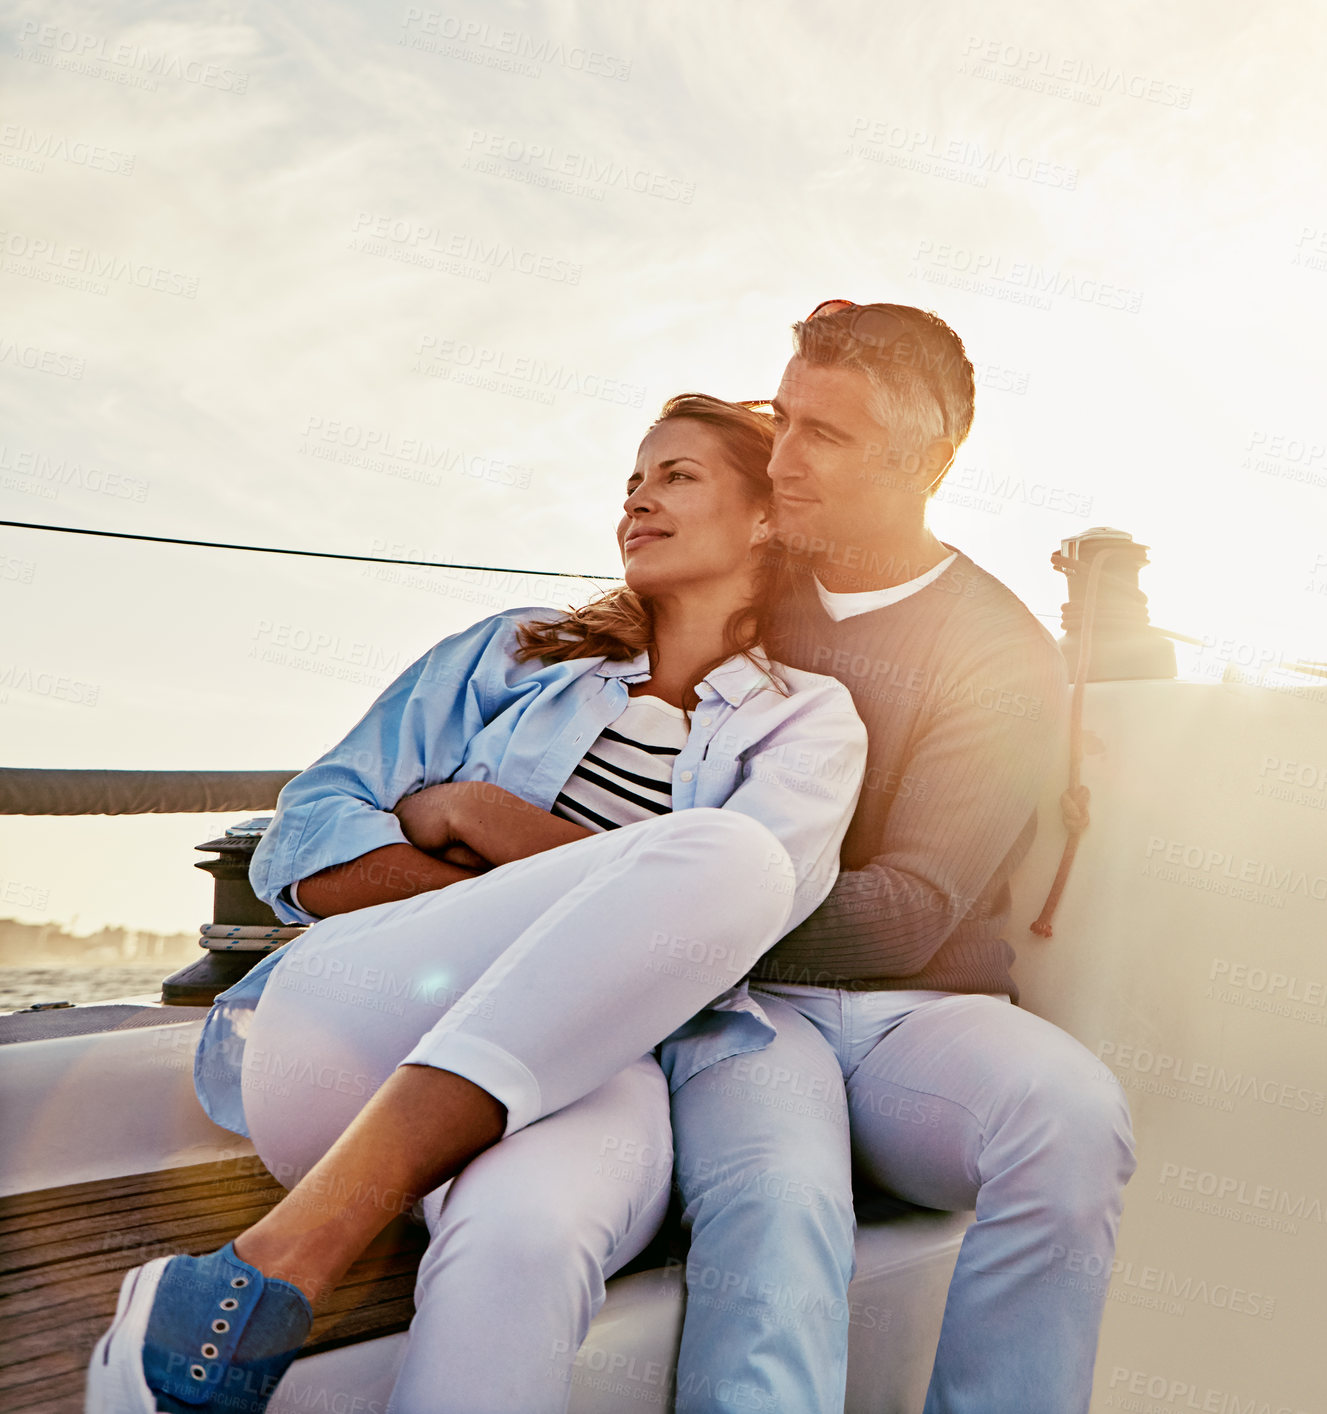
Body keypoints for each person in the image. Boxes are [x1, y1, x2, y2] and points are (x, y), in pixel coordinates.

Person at [86, 394, 867, 1414]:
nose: (637, 501)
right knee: (723, 854)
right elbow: (312, 834)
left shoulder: (808, 722)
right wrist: (566, 894)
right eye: (631, 481)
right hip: (354, 1034)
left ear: (766, 516)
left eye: (676, 476)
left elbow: (729, 928)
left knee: (531, 1232)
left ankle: (225, 1303)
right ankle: (289, 1252)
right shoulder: (514, 653)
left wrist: (476, 811)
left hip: (599, 1066)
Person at [660, 304, 1138, 1414]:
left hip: (905, 1017)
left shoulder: (998, 649)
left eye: (825, 436)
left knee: (1069, 1119)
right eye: (783, 420)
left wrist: (664, 903)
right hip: (731, 1002)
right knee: (784, 1198)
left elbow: (907, 914)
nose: (780, 462)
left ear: (929, 461)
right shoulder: (737, 579)